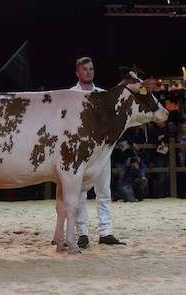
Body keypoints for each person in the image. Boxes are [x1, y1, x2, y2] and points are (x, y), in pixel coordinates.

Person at [70, 57, 126, 248]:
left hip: (101, 151)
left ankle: (106, 231)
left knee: (104, 190)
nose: (88, 72)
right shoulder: (70, 96)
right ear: (77, 72)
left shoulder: (104, 95)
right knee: (79, 193)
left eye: (91, 69)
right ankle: (82, 233)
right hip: (79, 153)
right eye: (84, 69)